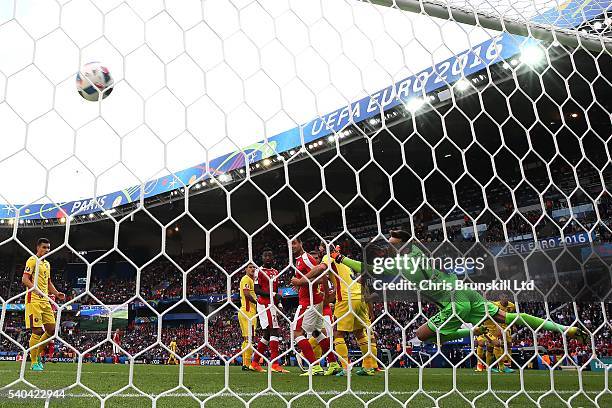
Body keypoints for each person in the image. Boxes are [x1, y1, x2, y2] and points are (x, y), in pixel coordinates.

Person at [329, 230, 587, 345]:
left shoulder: (401, 262)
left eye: (392, 242)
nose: (389, 245)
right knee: (506, 316)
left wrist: (341, 259)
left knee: (421, 336)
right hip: (465, 291)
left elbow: (367, 267)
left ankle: (473, 332)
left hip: (454, 301)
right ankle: (564, 328)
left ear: (399, 245)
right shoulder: (418, 251)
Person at [294, 239, 377, 376]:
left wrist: (300, 281)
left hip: (345, 297)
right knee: (359, 332)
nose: (320, 251)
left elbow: (321, 268)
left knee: (337, 333)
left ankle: (345, 368)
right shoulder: (344, 260)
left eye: (321, 248)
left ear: (323, 248)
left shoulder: (329, 256)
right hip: (359, 296)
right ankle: (368, 367)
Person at [289, 237, 335, 376]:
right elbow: (310, 278)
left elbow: (321, 276)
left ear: (301, 243)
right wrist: (300, 284)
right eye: (290, 244)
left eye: (295, 243)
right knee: (316, 332)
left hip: (309, 302)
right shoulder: (297, 261)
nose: (292, 246)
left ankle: (314, 366)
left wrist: (299, 282)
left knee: (296, 333)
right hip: (312, 300)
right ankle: (333, 363)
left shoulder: (306, 258)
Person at [22, 238, 66, 371]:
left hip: (45, 300)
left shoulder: (47, 264)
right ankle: (34, 362)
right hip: (33, 299)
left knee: (52, 331)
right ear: (38, 248)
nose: (47, 250)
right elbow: (25, 279)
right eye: (44, 247)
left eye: (48, 248)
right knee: (37, 330)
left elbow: (48, 283)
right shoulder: (32, 260)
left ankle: (36, 354)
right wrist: (35, 289)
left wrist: (57, 293)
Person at [250, 248, 289, 373]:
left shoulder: (276, 272)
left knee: (267, 334)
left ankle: (255, 363)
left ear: (273, 258)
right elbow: (257, 290)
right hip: (264, 304)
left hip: (272, 305)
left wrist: (279, 304)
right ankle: (274, 364)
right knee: (274, 331)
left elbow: (276, 292)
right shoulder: (259, 271)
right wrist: (273, 295)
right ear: (262, 258)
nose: (267, 258)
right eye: (265, 255)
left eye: (269, 255)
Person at [238, 263, 258, 371]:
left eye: (254, 267)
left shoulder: (253, 281)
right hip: (247, 312)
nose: (252, 269)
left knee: (248, 338)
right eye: (250, 267)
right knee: (249, 338)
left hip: (249, 312)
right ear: (245, 269)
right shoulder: (246, 279)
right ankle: (246, 364)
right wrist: (257, 302)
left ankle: (246, 364)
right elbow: (246, 294)